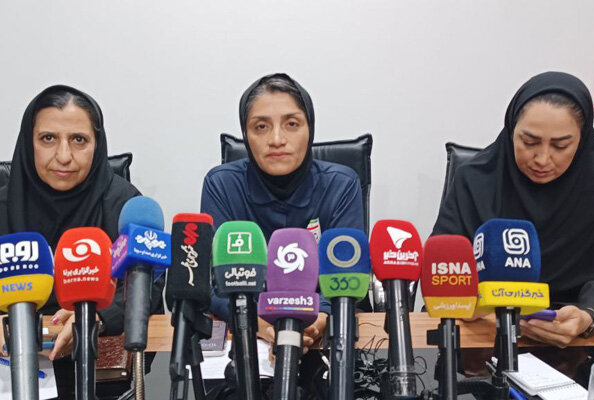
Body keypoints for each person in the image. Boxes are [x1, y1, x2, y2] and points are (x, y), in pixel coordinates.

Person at [0, 85, 164, 399]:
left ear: (97, 145)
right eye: (48, 138)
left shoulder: (124, 205)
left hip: (97, 370)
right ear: (28, 142)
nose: (64, 156)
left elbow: (147, 288)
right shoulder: (3, 208)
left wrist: (96, 317)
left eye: (79, 140)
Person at [201, 73, 365, 355]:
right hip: (247, 338)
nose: (276, 139)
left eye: (291, 124)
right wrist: (262, 326)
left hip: (323, 340)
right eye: (261, 127)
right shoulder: (222, 185)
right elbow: (212, 285)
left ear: (309, 128)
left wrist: (320, 320)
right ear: (246, 134)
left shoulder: (341, 184)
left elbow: (346, 276)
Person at [433, 71, 594, 348]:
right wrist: (469, 303)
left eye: (561, 145)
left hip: (577, 340)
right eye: (529, 142)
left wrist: (589, 315)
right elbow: (443, 268)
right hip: (485, 336)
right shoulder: (474, 180)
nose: (542, 159)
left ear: (582, 141)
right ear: (511, 129)